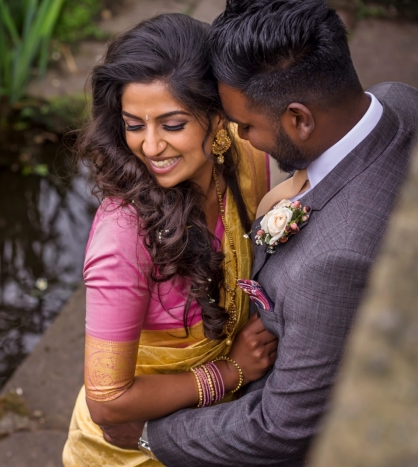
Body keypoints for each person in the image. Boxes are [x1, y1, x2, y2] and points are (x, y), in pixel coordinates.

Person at [102, 1, 418, 465]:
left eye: (246, 125)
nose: (240, 137)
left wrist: (151, 435)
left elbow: (280, 429)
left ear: (299, 119)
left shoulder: (333, 259)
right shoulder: (398, 99)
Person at [62, 13, 276, 466]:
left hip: (223, 429)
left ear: (218, 119)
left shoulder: (244, 154)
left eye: (172, 124)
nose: (151, 147)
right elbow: (108, 401)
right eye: (133, 124)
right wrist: (230, 372)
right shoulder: (123, 234)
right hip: (133, 449)